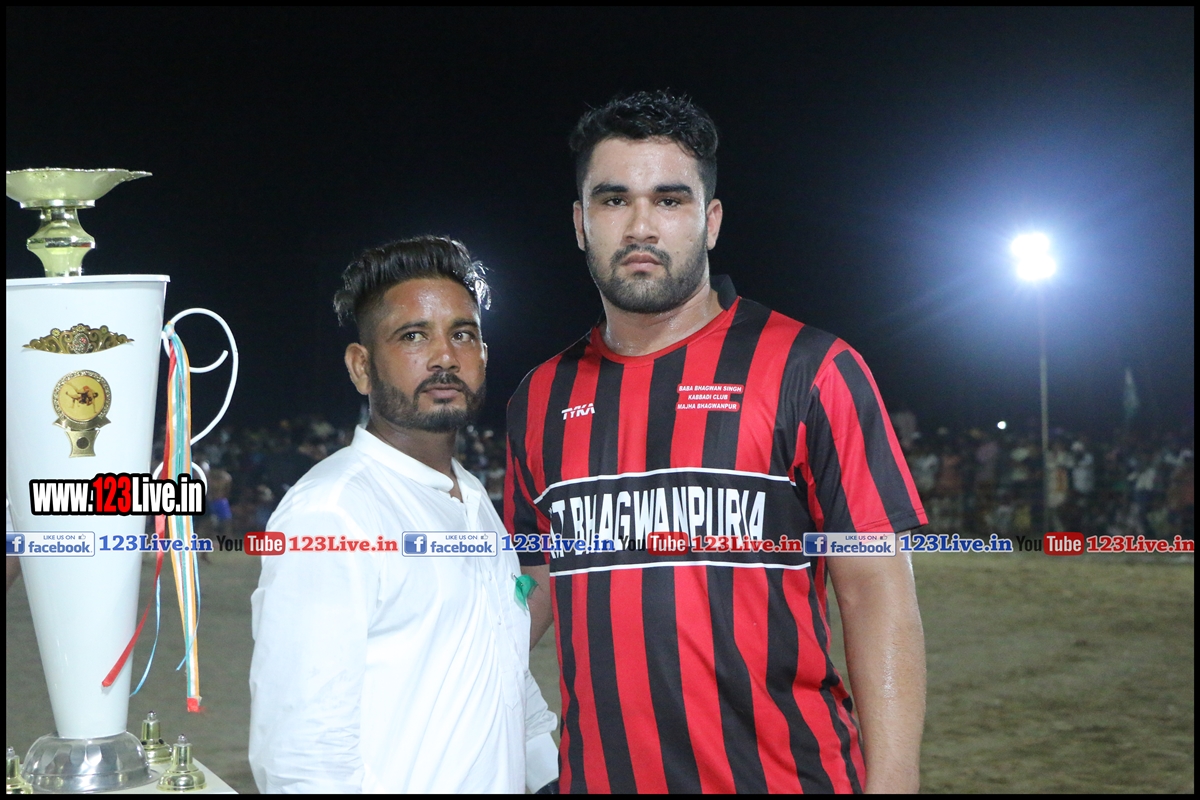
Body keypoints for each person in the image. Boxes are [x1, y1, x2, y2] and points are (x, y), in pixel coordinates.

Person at [505, 91, 927, 793]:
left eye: (670, 200)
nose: (641, 225)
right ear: (581, 223)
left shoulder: (812, 368)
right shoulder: (539, 397)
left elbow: (874, 591)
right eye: (614, 200)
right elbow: (535, 578)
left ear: (711, 220)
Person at [249, 236, 558, 793]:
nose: (445, 357)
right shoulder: (335, 512)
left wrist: (547, 772)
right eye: (414, 336)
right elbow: (302, 757)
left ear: (484, 355)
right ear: (361, 367)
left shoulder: (470, 499)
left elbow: (501, 665)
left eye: (462, 334)